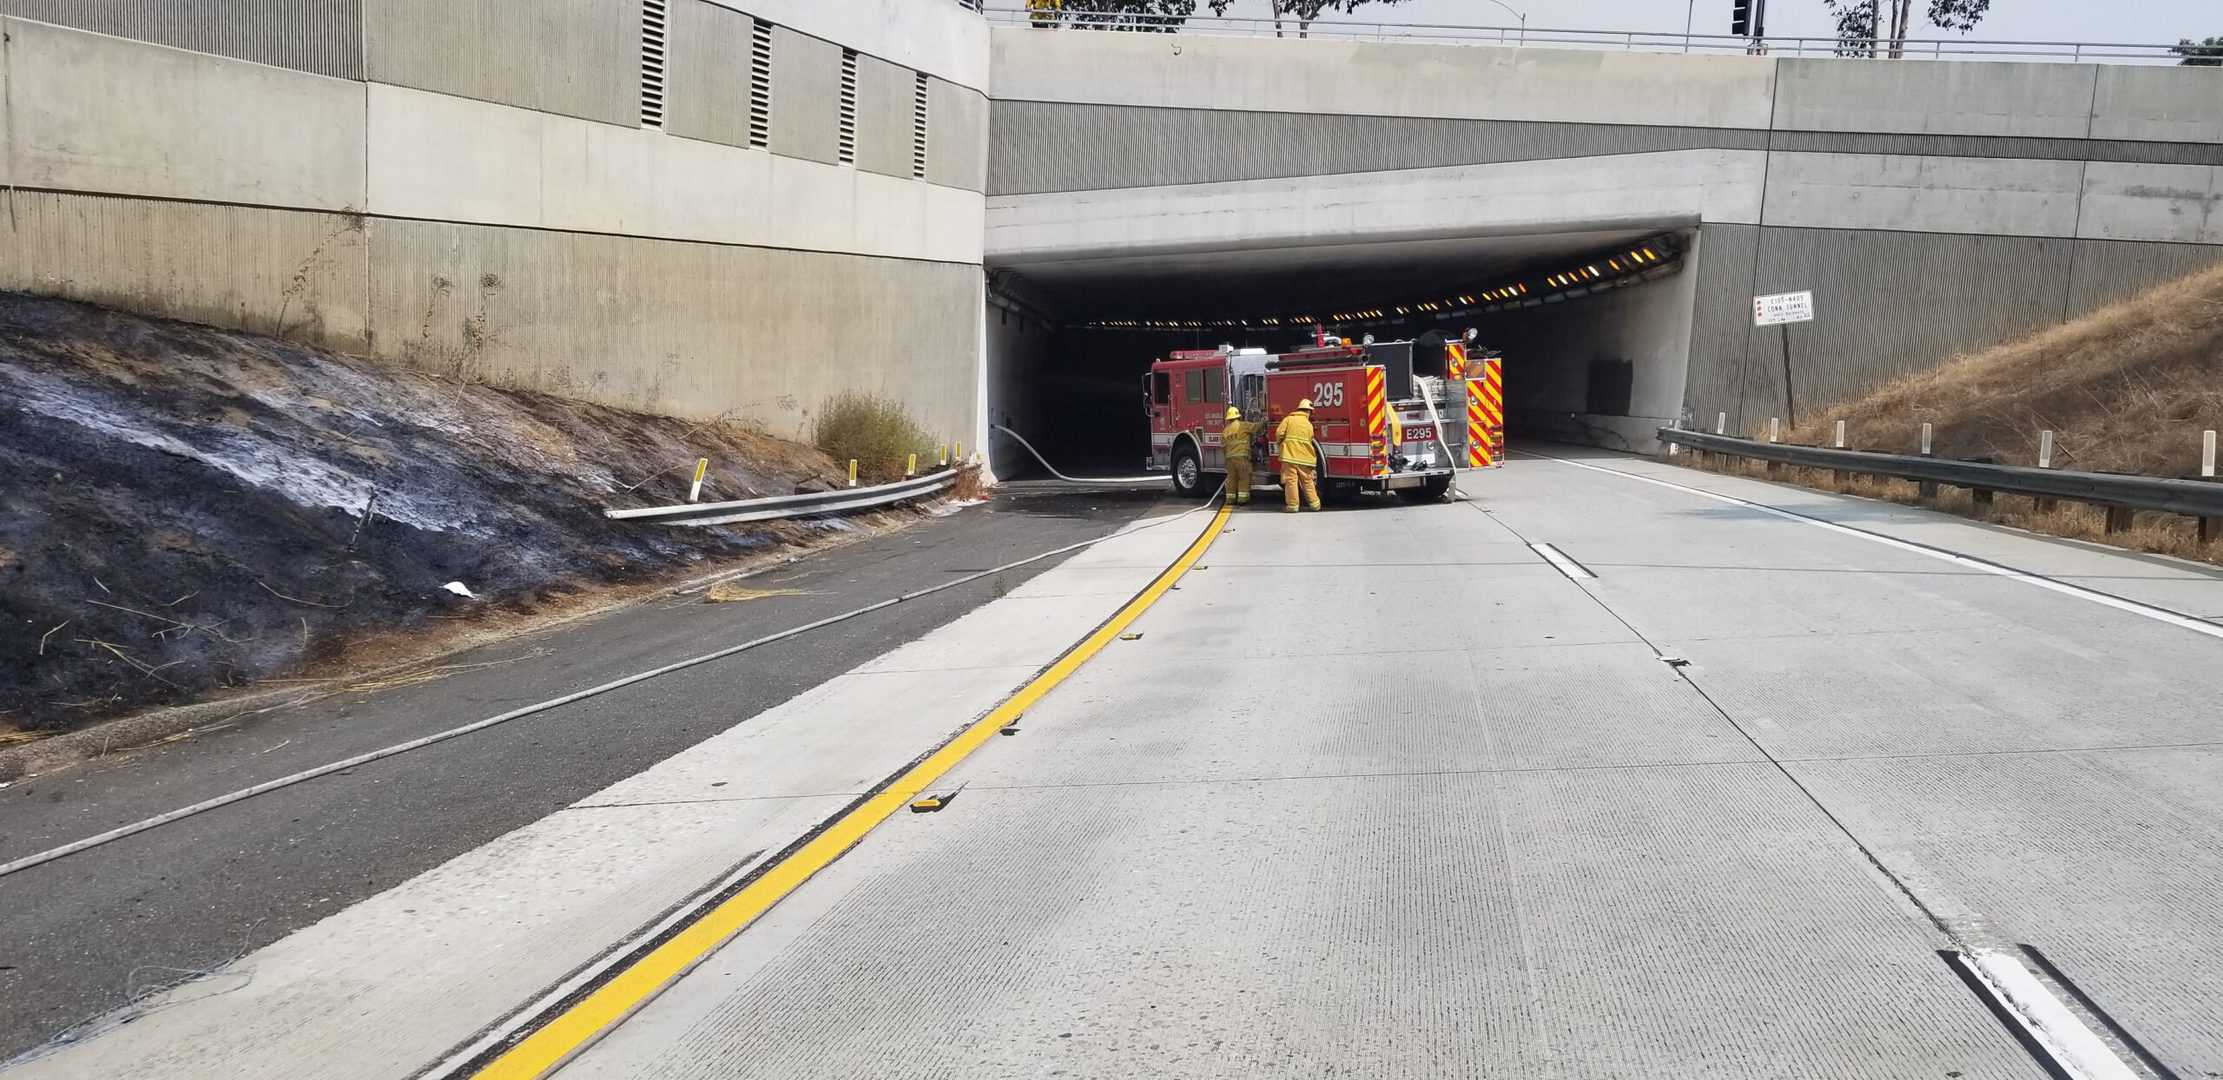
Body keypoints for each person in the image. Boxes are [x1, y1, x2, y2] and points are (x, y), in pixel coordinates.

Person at [1275, 398, 1321, 513]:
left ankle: (1293, 506)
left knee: (1291, 481)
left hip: (1289, 456)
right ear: (1308, 411)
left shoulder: (1288, 420)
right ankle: (1315, 504)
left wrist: (1281, 443)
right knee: (1308, 481)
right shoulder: (1309, 425)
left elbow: (1279, 433)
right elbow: (1310, 439)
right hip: (1306, 459)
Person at [1220, 406, 1257, 505]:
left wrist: (1226, 458)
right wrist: (1265, 422)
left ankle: (1230, 499)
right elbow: (1255, 427)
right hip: (1241, 458)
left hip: (1229, 459)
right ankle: (1242, 499)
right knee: (1243, 478)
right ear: (1238, 417)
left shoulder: (1225, 431)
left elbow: (1223, 447)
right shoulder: (1243, 425)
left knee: (1231, 479)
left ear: (1228, 419)